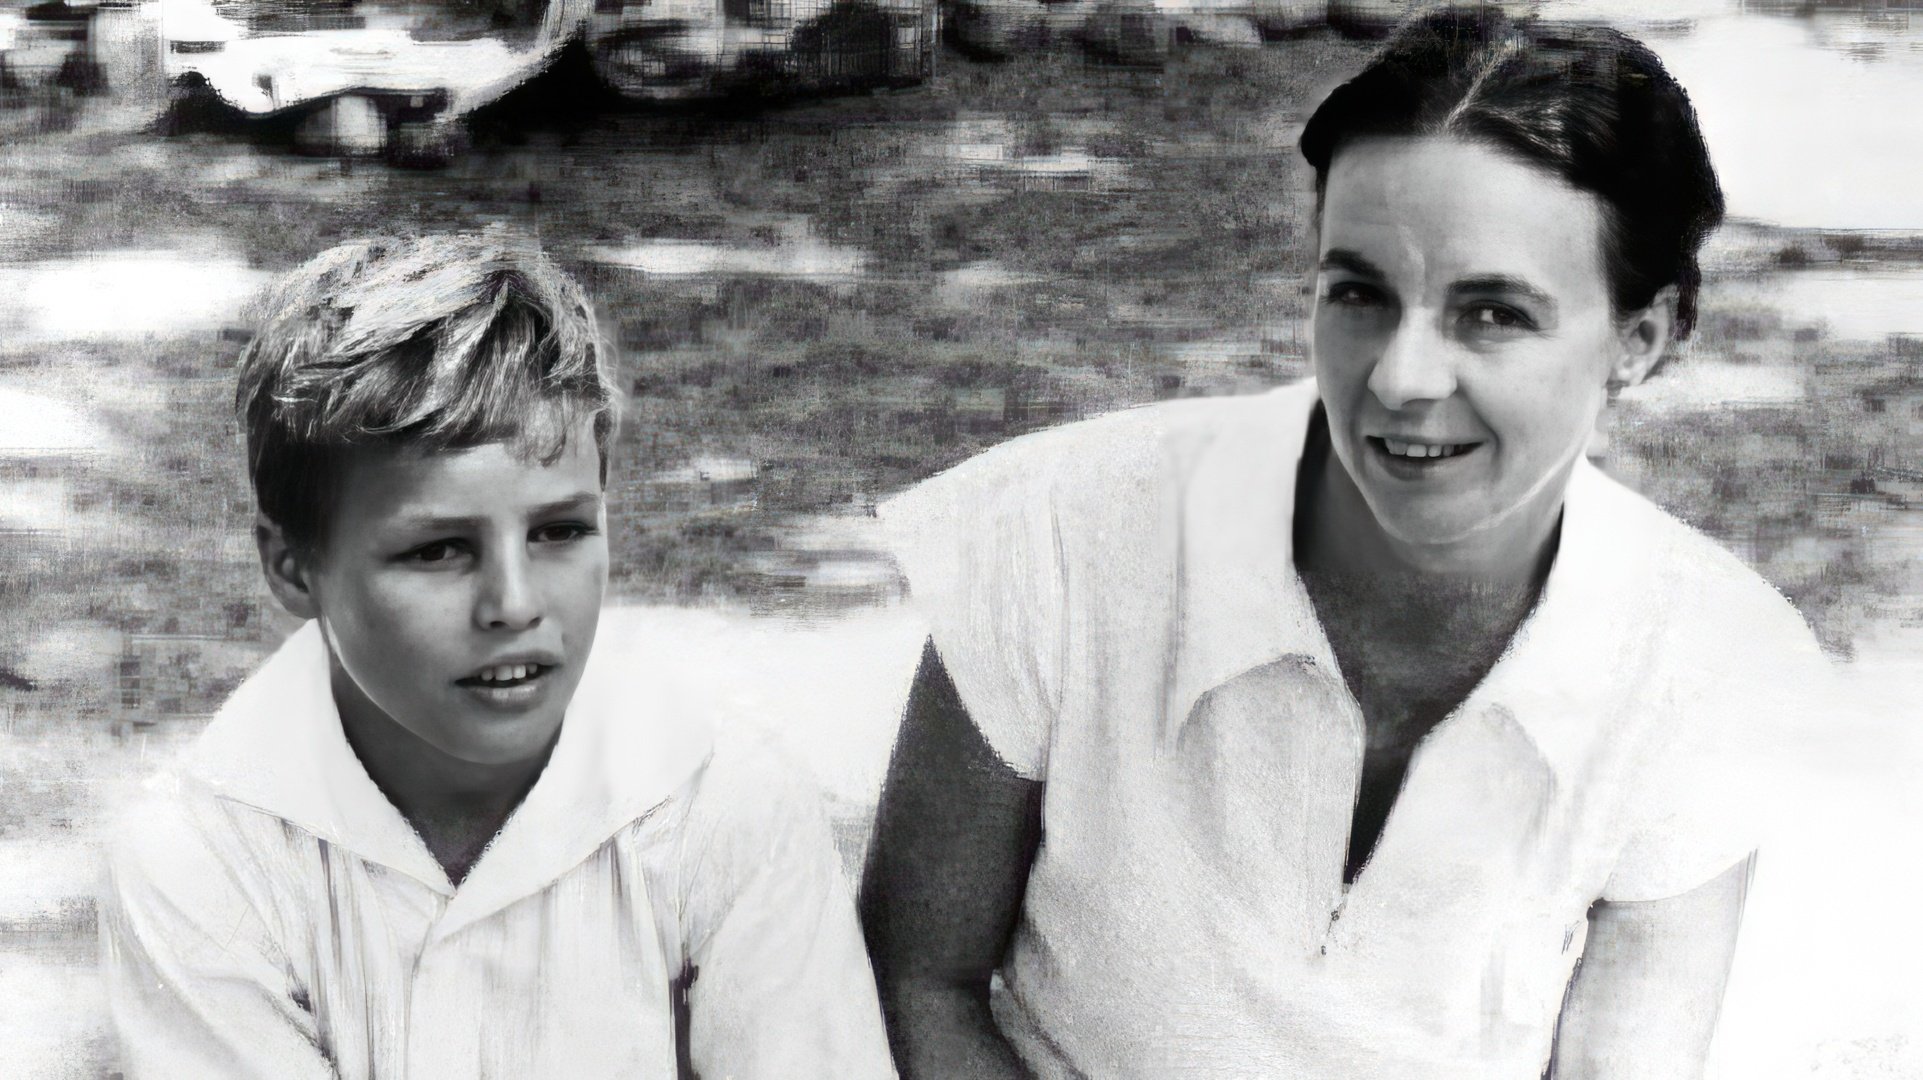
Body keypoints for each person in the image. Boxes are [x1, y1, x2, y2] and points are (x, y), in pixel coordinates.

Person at [862, 8, 1834, 1078]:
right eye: (1360, 293)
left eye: (1494, 314)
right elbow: (915, 980)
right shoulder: (1062, 535)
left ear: (1639, 343)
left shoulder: (1707, 664)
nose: (1402, 379)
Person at [98, 233, 896, 1079]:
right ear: (292, 567)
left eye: (559, 532)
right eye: (438, 550)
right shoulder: (199, 859)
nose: (514, 604)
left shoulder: (721, 805)